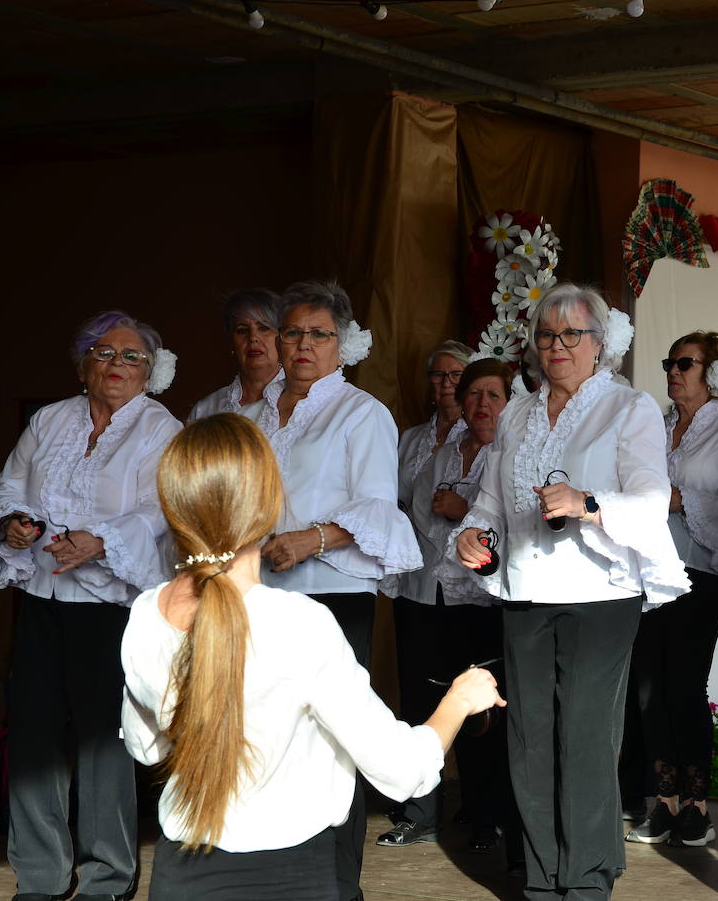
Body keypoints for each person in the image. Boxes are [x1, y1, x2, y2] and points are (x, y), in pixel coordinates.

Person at [120, 413, 505, 901]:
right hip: (292, 878)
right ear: (267, 504)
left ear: (172, 504)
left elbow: (146, 747)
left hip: (179, 875)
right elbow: (402, 769)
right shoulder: (299, 623)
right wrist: (460, 698)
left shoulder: (145, 613)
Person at [453, 284, 689, 901]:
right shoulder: (517, 413)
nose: (557, 347)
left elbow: (650, 500)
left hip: (600, 594)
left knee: (584, 738)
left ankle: (585, 881)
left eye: (572, 335)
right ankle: (541, 877)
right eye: (547, 335)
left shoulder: (628, 409)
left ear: (599, 343)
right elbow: (489, 498)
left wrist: (588, 504)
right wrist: (474, 533)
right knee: (528, 740)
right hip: (525, 590)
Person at [239, 279, 420, 901]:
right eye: (291, 332)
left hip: (333, 594)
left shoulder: (361, 412)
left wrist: (310, 540)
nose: (303, 344)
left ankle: (337, 884)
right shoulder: (250, 414)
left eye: (319, 333)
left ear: (344, 343)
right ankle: (272, 877)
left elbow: (376, 509)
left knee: (332, 734)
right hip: (259, 595)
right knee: (266, 731)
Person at [0, 310, 181, 901]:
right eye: (104, 353)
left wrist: (101, 541)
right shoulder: (50, 420)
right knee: (32, 731)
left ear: (150, 372)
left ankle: (108, 877)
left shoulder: (161, 429)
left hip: (113, 604)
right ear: (83, 364)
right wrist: (15, 523)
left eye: (131, 357)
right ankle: (42, 875)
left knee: (106, 738)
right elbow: (11, 484)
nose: (117, 365)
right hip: (44, 597)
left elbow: (163, 508)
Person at [626, 331, 718, 847]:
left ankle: (697, 807)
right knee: (647, 690)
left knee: (683, 687)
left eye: (686, 363)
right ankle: (662, 802)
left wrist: (684, 500)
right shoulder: (652, 430)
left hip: (700, 575)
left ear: (715, 373)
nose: (673, 371)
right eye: (670, 361)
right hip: (647, 574)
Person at [382, 356, 517, 857]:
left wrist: (464, 513)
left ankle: (486, 817)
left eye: (493, 396)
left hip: (479, 600)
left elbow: (520, 523)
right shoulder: (441, 454)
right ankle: (421, 812)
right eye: (474, 394)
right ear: (462, 402)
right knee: (420, 700)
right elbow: (416, 515)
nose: (482, 404)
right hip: (424, 592)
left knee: (481, 712)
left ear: (509, 403)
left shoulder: (509, 453)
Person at [189, 288, 284, 420]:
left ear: (282, 338)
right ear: (232, 342)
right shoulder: (206, 410)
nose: (253, 337)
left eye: (264, 328)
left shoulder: (302, 402)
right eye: (242, 330)